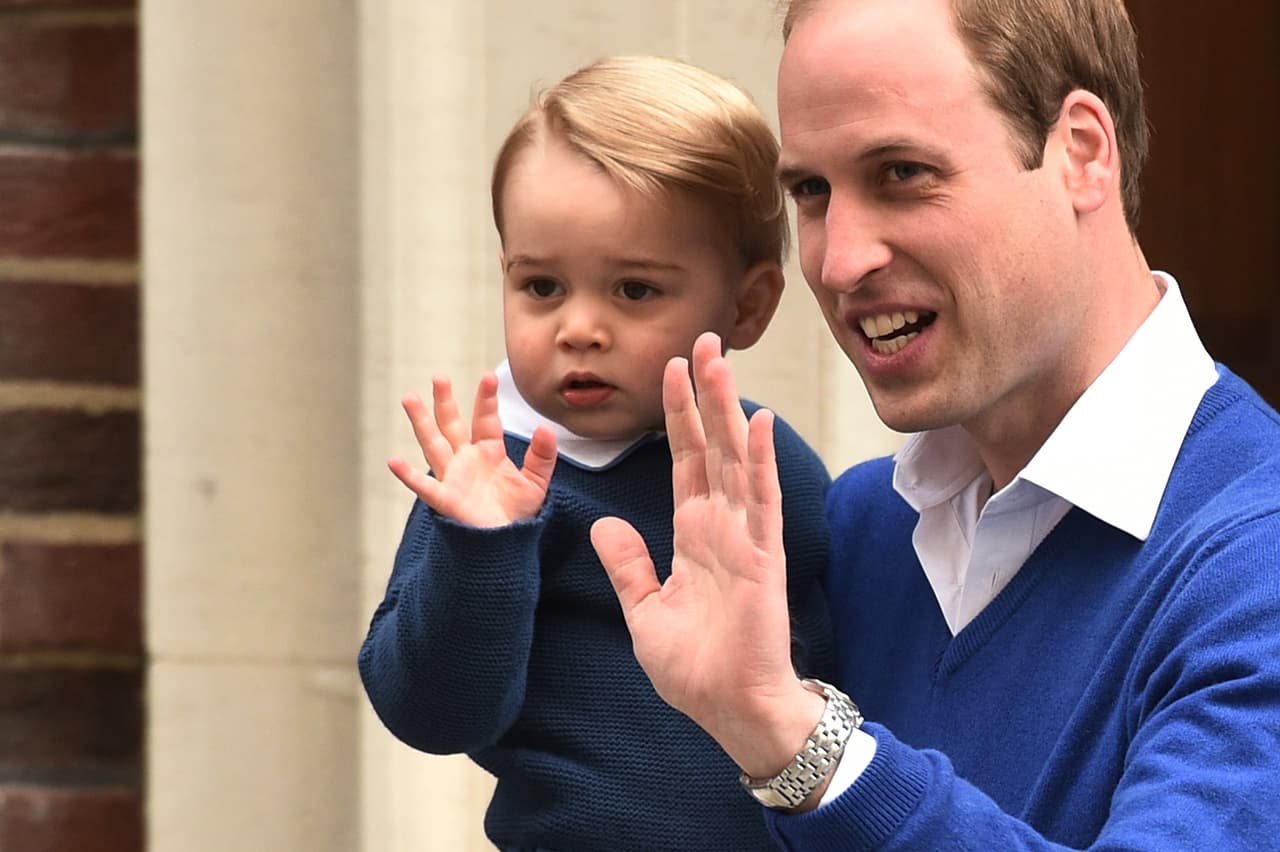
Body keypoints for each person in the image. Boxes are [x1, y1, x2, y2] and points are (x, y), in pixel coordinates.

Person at [591, 0, 1280, 849]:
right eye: (811, 191)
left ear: (1081, 153)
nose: (840, 262)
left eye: (902, 173)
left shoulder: (1255, 563)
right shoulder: (856, 528)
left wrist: (800, 745)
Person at [357, 55, 834, 852]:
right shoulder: (493, 487)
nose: (578, 328)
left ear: (747, 306)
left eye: (634, 290)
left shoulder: (769, 464)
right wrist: (482, 549)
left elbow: (848, 670)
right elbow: (431, 716)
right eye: (542, 287)